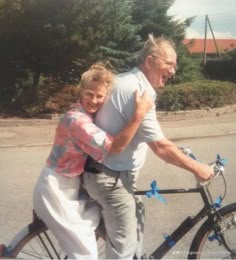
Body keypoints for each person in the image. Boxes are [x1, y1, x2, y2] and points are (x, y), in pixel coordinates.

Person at [83, 35, 215, 259]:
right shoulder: (138, 92)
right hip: (110, 179)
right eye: (169, 64)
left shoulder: (127, 80)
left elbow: (152, 135)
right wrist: (198, 168)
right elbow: (160, 147)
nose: (173, 71)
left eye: (175, 65)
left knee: (138, 210)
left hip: (107, 173)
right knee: (122, 249)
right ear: (150, 61)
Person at [33, 62, 153, 259]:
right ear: (81, 92)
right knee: (85, 252)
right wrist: (139, 115)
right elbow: (115, 147)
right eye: (89, 94)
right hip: (55, 189)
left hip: (71, 187)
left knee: (92, 222)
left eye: (100, 96)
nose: (94, 100)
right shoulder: (77, 120)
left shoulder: (87, 115)